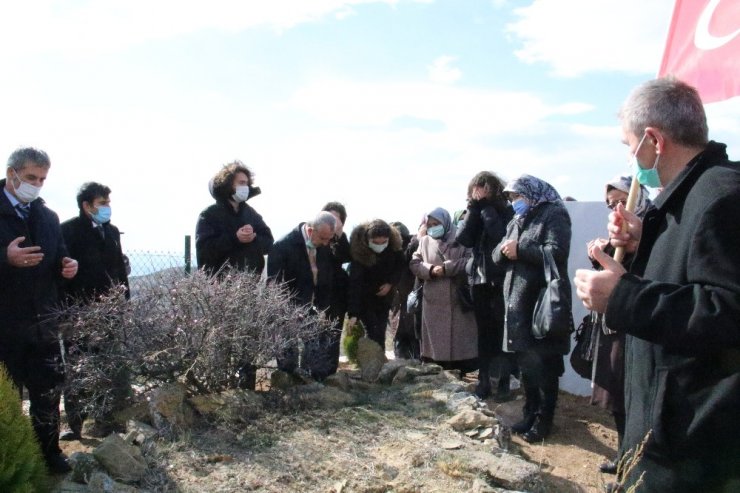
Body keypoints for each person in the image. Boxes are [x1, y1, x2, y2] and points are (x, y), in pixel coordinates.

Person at [574, 78, 740, 492]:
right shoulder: (683, 198)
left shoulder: (722, 195)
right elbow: (688, 274)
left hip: (698, 450)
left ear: (653, 140)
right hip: (669, 433)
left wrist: (623, 297)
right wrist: (644, 240)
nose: (631, 159)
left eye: (629, 146)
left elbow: (728, 309)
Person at [0, 147, 78, 473]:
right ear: (11, 174)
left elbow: (58, 254)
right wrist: (5, 258)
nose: (37, 184)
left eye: (43, 179)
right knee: (5, 401)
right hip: (4, 325)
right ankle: (11, 464)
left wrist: (67, 265)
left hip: (43, 324)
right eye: (31, 177)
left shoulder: (47, 217)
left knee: (47, 396)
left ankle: (49, 454)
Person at [492, 174, 571, 443]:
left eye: (518, 196)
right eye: (512, 198)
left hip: (540, 305)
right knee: (527, 365)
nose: (514, 202)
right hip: (518, 306)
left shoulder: (554, 214)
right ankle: (529, 415)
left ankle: (543, 421)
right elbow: (498, 253)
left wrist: (521, 249)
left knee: (546, 365)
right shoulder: (517, 220)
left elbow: (557, 252)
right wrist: (502, 251)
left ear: (532, 193)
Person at [584, 175, 650, 475]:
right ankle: (623, 456)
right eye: (612, 204)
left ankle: (634, 464)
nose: (617, 209)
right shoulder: (617, 236)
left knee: (635, 399)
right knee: (617, 398)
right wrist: (599, 255)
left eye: (623, 201)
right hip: (614, 326)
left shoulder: (653, 231)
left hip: (638, 326)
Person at [60, 182, 131, 440]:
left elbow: (119, 271)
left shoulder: (111, 232)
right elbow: (61, 273)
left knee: (110, 365)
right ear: (86, 205)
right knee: (78, 367)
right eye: (102, 203)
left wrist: (124, 300)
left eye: (108, 202)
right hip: (77, 313)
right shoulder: (68, 231)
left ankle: (108, 421)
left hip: (109, 312)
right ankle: (74, 424)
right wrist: (65, 314)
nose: (107, 207)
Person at [456, 171, 515, 400]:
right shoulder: (473, 211)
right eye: (476, 189)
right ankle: (483, 380)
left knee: (502, 331)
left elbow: (499, 235)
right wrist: (473, 209)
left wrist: (488, 208)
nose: (480, 193)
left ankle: (503, 382)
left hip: (500, 280)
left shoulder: (506, 211)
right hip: (479, 280)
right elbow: (464, 238)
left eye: (484, 189)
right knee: (484, 333)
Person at [267, 212, 337, 379]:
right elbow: (274, 284)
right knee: (287, 355)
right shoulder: (283, 246)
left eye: (329, 239)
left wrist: (324, 308)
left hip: (313, 307)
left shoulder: (324, 246)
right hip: (288, 309)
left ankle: (312, 385)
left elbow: (325, 279)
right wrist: (286, 310)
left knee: (314, 351)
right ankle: (287, 386)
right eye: (323, 238)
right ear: (311, 231)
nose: (326, 243)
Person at [410, 208, 478, 371]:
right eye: (430, 224)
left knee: (459, 339)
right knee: (436, 341)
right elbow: (415, 263)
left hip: (457, 297)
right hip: (433, 298)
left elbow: (471, 260)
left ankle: (462, 368)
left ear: (446, 223)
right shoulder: (425, 241)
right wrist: (430, 270)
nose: (433, 227)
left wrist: (448, 268)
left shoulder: (462, 238)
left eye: (437, 224)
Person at [196, 161, 274, 275]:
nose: (246, 187)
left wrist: (253, 238)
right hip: (220, 286)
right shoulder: (209, 215)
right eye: (241, 183)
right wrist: (235, 238)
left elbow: (269, 243)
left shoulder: (251, 213)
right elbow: (204, 253)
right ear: (228, 184)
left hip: (251, 283)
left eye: (247, 184)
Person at [347, 219, 406, 349]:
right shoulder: (359, 253)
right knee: (373, 332)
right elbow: (355, 284)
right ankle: (373, 362)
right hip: (365, 299)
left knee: (381, 332)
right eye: (375, 242)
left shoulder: (394, 248)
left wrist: (390, 283)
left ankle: (379, 362)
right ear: (368, 240)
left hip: (384, 299)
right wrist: (353, 313)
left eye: (383, 242)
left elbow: (400, 266)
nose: (380, 246)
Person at [322, 201, 352, 374]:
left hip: (337, 293)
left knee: (334, 331)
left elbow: (346, 257)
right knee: (318, 333)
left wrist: (339, 233)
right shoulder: (316, 235)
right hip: (320, 291)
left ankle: (331, 370)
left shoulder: (342, 237)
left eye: (337, 218)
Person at [389, 221, 420, 360]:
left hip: (413, 306)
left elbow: (406, 260)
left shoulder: (413, 248)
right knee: (400, 349)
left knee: (416, 346)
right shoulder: (389, 253)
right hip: (398, 309)